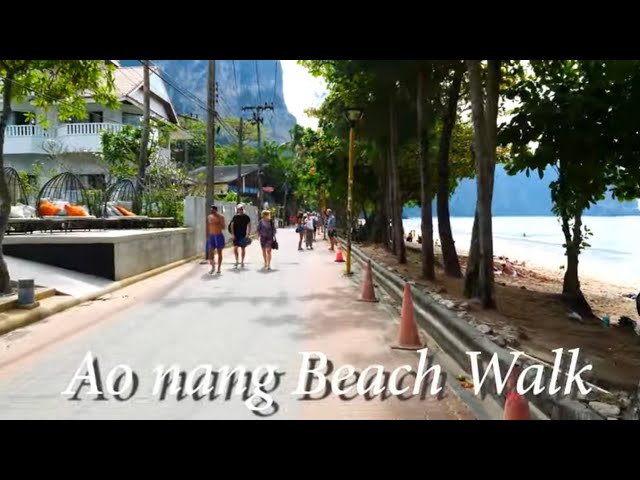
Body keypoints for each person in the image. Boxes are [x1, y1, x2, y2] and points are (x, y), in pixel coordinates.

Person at [228, 204, 252, 268]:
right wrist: (233, 234)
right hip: (236, 235)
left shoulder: (246, 217)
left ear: (243, 210)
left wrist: (248, 234)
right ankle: (236, 260)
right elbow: (232, 225)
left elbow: (249, 225)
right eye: (239, 209)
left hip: (243, 235)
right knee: (235, 248)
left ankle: (242, 261)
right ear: (237, 210)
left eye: (242, 209)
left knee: (243, 248)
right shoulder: (235, 217)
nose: (241, 210)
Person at [207, 205, 226, 274]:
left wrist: (218, 223)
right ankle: (213, 267)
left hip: (218, 236)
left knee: (219, 252)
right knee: (210, 252)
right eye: (211, 210)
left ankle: (219, 268)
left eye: (212, 210)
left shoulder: (221, 217)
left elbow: (224, 227)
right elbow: (208, 226)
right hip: (211, 236)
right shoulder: (209, 217)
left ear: (216, 210)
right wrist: (207, 236)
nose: (211, 212)